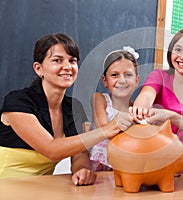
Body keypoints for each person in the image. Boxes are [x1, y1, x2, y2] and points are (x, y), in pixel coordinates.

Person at [0, 33, 133, 185]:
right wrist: (107, 130)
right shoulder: (18, 101)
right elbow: (51, 150)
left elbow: (79, 153)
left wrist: (81, 169)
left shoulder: (73, 107)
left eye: (72, 61)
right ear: (39, 69)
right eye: (57, 60)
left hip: (41, 186)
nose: (67, 67)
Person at [130, 28, 183, 176]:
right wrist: (140, 107)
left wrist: (181, 162)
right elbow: (147, 94)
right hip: (158, 161)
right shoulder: (159, 76)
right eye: (178, 49)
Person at [89, 47, 140, 171]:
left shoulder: (136, 109)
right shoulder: (100, 99)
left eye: (128, 75)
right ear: (105, 81)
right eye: (114, 75)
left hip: (124, 167)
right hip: (98, 167)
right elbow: (104, 129)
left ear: (137, 80)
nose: (122, 80)